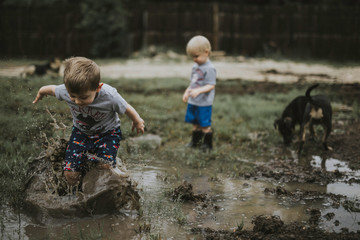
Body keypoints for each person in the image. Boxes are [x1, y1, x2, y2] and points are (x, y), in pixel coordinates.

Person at [33, 57, 145, 186]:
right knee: (70, 173)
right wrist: (41, 92)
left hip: (108, 133)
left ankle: (108, 187)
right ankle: (77, 194)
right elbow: (51, 89)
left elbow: (126, 108)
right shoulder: (66, 90)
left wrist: (137, 121)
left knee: (104, 169)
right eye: (73, 96)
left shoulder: (110, 96)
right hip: (81, 133)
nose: (77, 102)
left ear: (97, 88)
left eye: (83, 97)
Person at [182, 35, 216, 150]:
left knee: (204, 124)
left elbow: (211, 85)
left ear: (206, 52)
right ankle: (195, 142)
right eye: (192, 57)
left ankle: (207, 144)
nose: (194, 59)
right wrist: (187, 92)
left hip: (204, 103)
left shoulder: (210, 68)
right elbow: (193, 83)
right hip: (194, 101)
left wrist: (199, 91)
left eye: (196, 56)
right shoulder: (195, 66)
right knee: (195, 123)